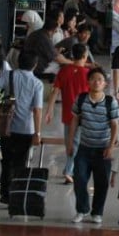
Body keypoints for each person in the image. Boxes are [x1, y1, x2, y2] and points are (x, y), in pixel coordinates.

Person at [0, 51, 43, 205]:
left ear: (17, 62)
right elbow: (37, 110)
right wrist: (37, 132)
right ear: (35, 65)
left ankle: (5, 194)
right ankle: (17, 196)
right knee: (21, 164)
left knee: (7, 161)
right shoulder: (37, 83)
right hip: (26, 129)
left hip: (7, 128)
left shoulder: (8, 75)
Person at [68, 67, 119, 224]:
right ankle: (81, 210)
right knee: (80, 179)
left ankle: (97, 213)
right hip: (84, 148)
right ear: (88, 82)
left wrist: (110, 147)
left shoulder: (111, 102)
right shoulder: (81, 99)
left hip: (103, 149)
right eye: (93, 79)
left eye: (100, 80)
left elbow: (115, 125)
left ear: (105, 84)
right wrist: (70, 142)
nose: (96, 82)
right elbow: (75, 121)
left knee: (101, 183)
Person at [44, 44, 90, 184]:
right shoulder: (87, 74)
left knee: (70, 143)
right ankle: (69, 171)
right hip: (83, 115)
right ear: (84, 56)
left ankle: (71, 169)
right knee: (75, 143)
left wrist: (50, 109)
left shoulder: (64, 71)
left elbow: (55, 91)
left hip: (67, 114)